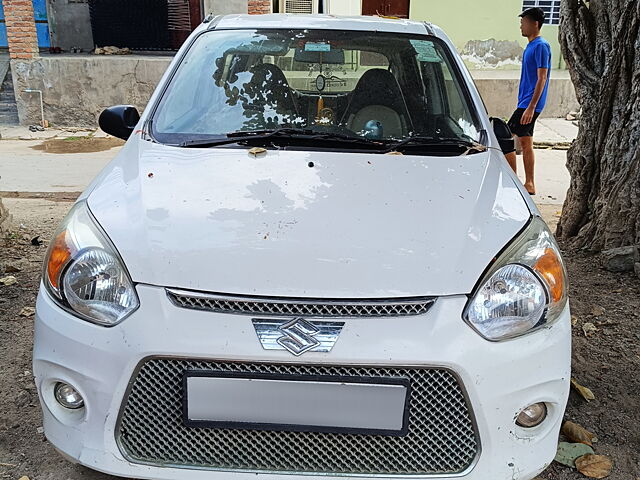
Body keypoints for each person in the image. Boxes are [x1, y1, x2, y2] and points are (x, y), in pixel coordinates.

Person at [505, 7, 552, 195]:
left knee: (504, 138)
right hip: (525, 102)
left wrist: (531, 107)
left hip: (529, 104)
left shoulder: (541, 46)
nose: (521, 26)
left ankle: (512, 181)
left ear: (535, 24)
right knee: (526, 143)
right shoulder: (531, 46)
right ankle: (529, 184)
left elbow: (542, 77)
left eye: (524, 23)